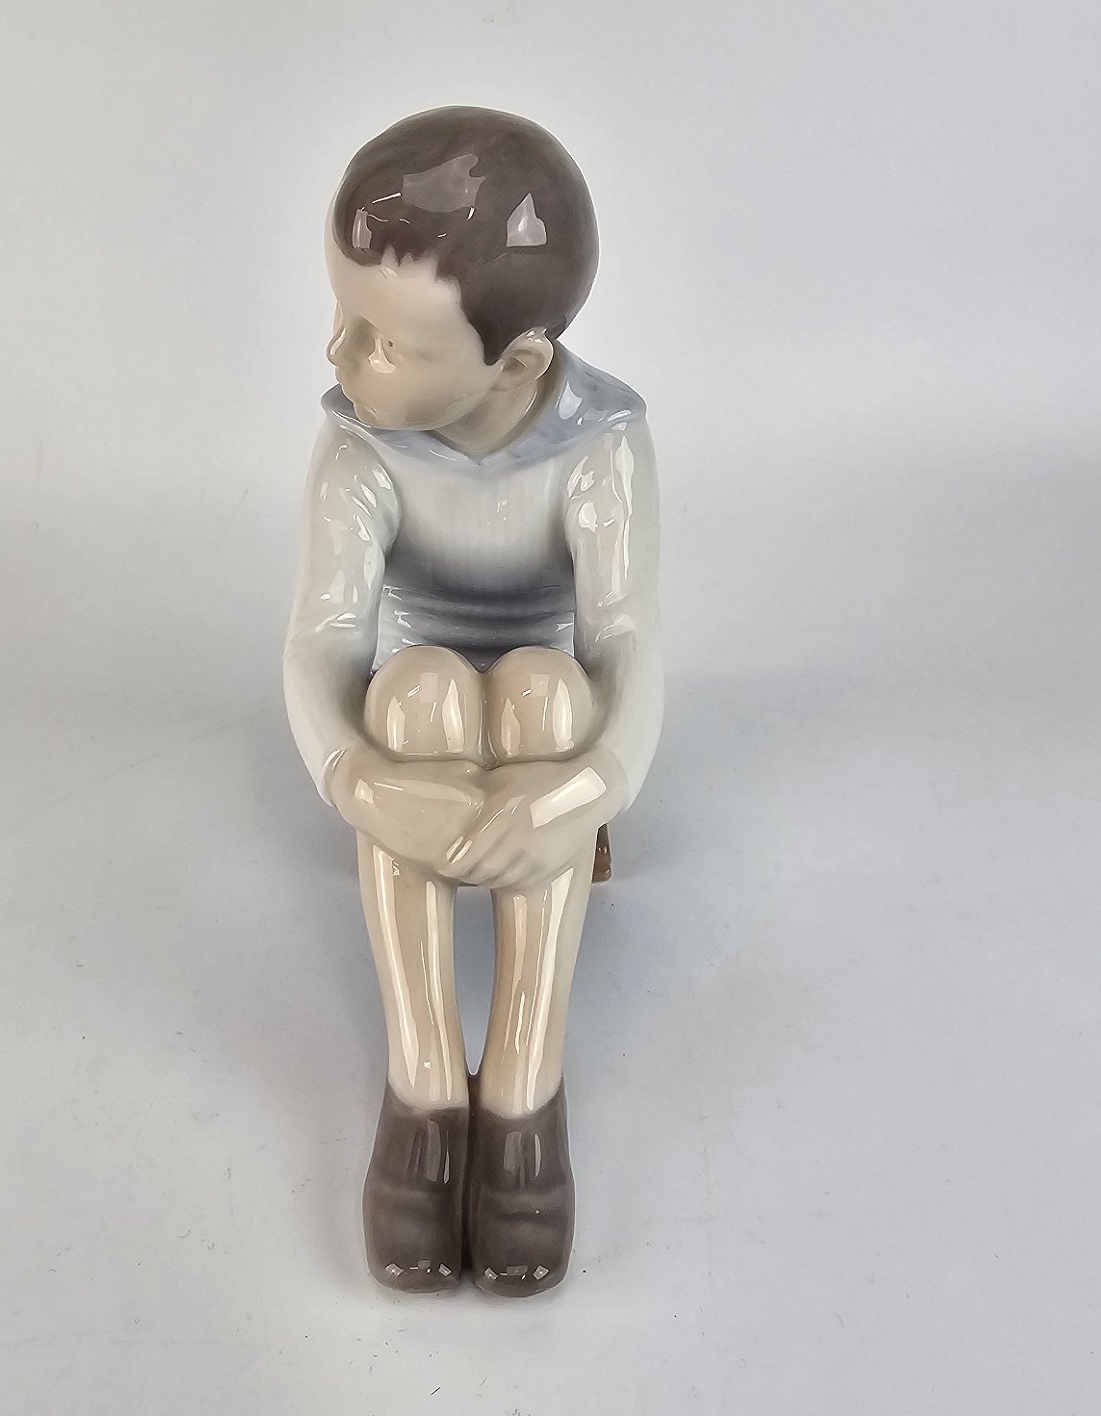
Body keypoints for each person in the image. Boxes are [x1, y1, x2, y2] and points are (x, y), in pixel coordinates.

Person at [284, 106, 662, 1296]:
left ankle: (524, 1087)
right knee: (416, 690)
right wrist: (358, 778)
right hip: (419, 708)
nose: (337, 356)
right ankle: (424, 1079)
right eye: (343, 317)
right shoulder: (361, 444)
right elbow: (323, 638)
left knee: (546, 689)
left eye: (384, 342)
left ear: (521, 363)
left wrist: (586, 789)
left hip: (551, 702)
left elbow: (629, 645)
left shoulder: (602, 441)